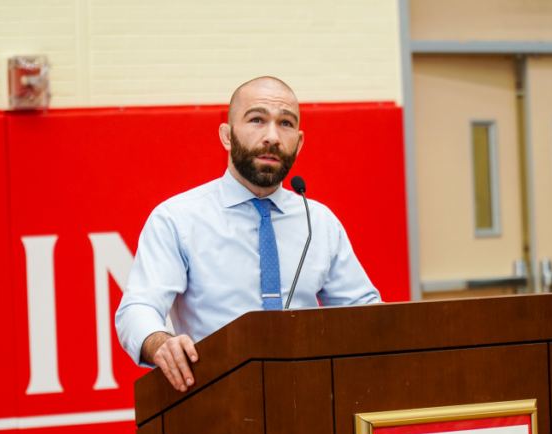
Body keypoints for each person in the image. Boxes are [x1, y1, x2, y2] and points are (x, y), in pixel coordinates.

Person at [115, 76, 381, 393]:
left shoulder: (319, 221)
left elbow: (364, 314)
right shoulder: (178, 218)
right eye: (256, 120)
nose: (272, 136)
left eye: (285, 123)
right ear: (227, 136)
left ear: (299, 141)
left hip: (313, 398)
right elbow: (136, 309)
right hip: (215, 399)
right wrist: (160, 342)